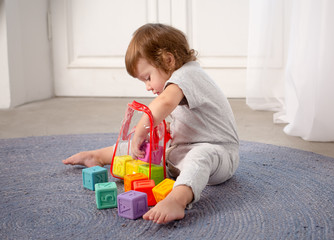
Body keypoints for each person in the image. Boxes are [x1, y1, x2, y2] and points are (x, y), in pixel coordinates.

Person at [63, 23, 240, 224]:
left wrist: (141, 129)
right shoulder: (179, 80)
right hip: (182, 150)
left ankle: (177, 199)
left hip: (220, 154)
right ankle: (98, 156)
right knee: (146, 148)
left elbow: (164, 102)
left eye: (148, 78)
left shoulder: (189, 75)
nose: (147, 87)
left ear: (168, 60)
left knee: (199, 156)